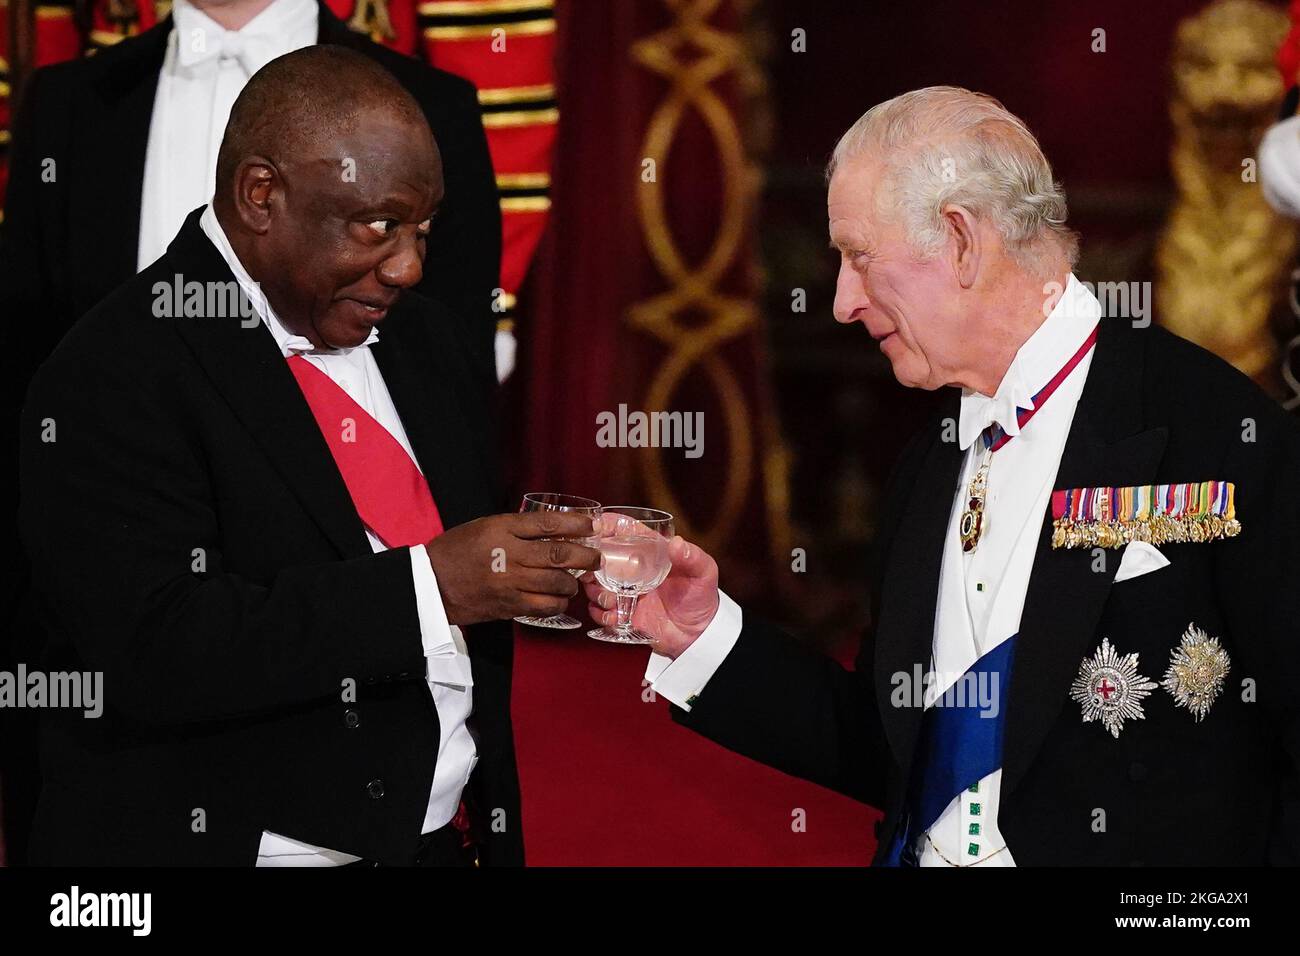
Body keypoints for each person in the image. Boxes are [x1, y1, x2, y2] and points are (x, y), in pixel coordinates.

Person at [587, 86, 1300, 866]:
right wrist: (704, 633)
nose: (843, 302)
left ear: (961, 239)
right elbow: (911, 754)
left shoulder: (1222, 437)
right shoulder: (929, 457)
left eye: (859, 258)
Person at [17, 45, 596, 866]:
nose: (408, 267)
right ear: (262, 195)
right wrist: (433, 585)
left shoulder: (426, 341)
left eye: (422, 231)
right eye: (379, 227)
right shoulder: (112, 369)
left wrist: (534, 570)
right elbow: (157, 653)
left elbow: (464, 623)